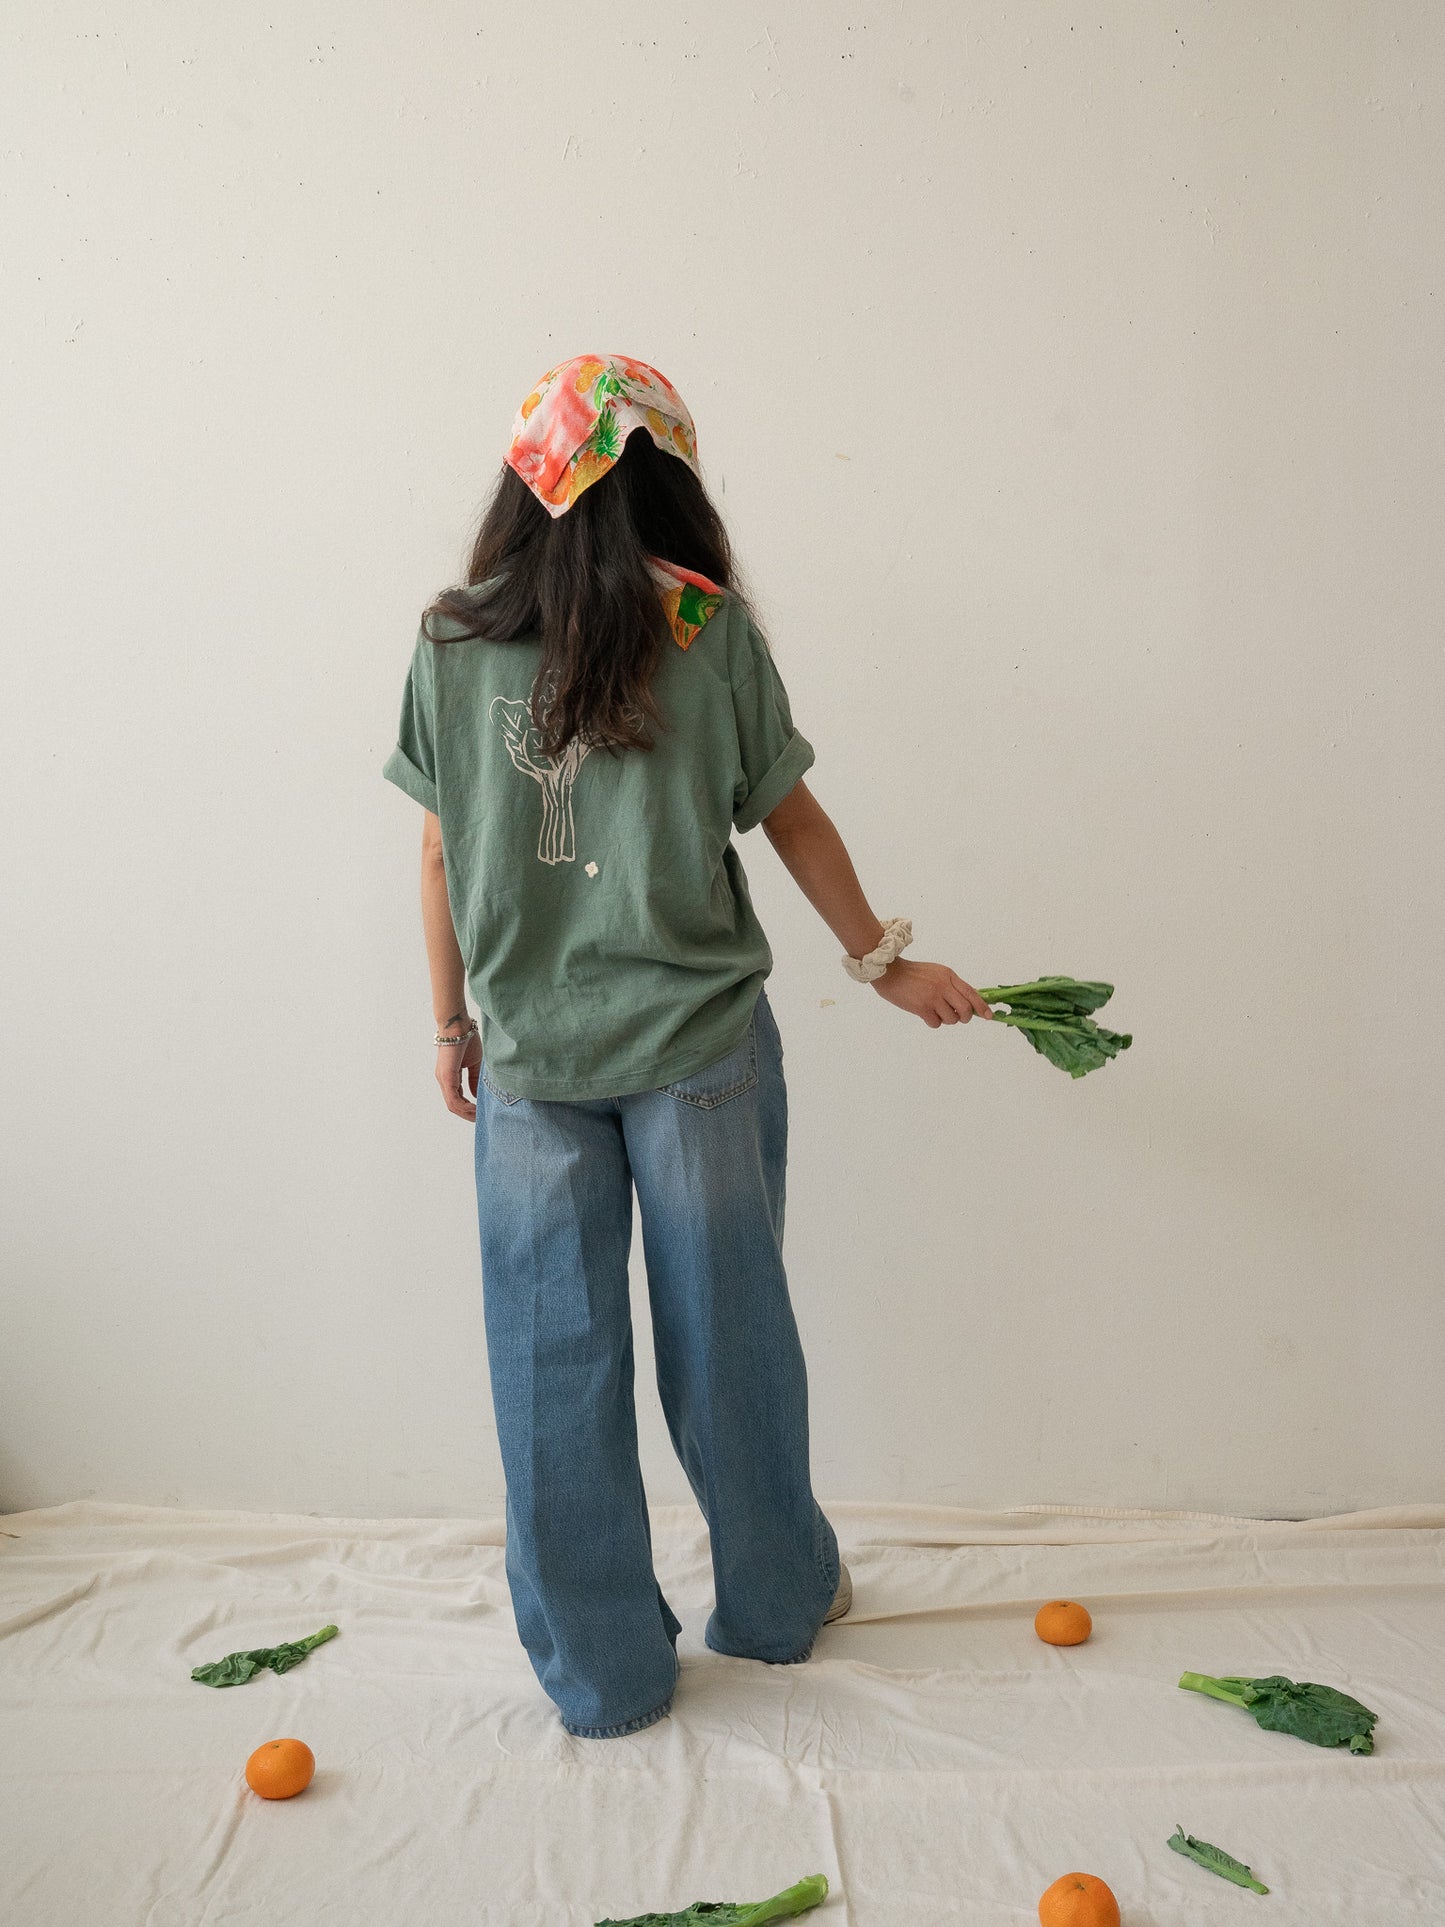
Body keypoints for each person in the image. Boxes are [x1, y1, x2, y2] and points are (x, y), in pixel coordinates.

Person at [382, 352, 995, 1740]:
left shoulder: (450, 640)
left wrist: (449, 1024)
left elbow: (432, 852)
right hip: (701, 1046)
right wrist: (883, 964)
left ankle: (601, 1679)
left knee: (550, 1362)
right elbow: (790, 816)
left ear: (525, 483)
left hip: (531, 1055)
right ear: (665, 475)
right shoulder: (703, 629)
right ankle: (775, 1608)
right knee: (731, 1339)